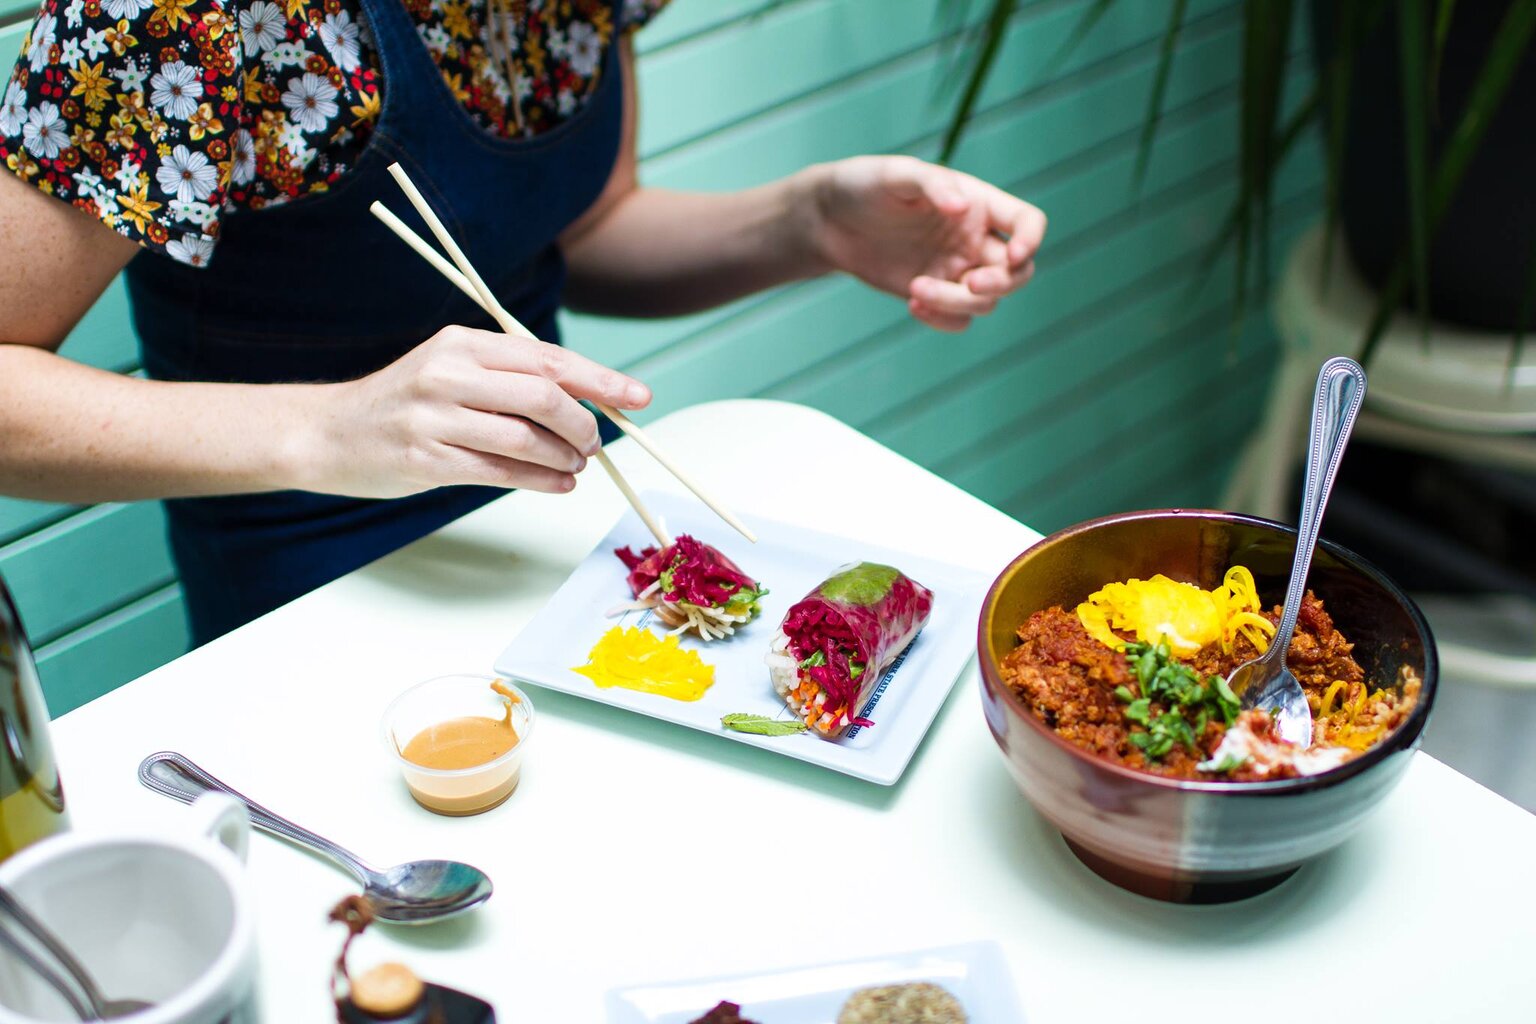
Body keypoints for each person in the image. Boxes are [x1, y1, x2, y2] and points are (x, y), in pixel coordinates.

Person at [0, 0, 1046, 645]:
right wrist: (331, 427)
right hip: (312, 584)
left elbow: (583, 229)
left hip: (564, 541)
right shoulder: (176, 15)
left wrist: (808, 222)